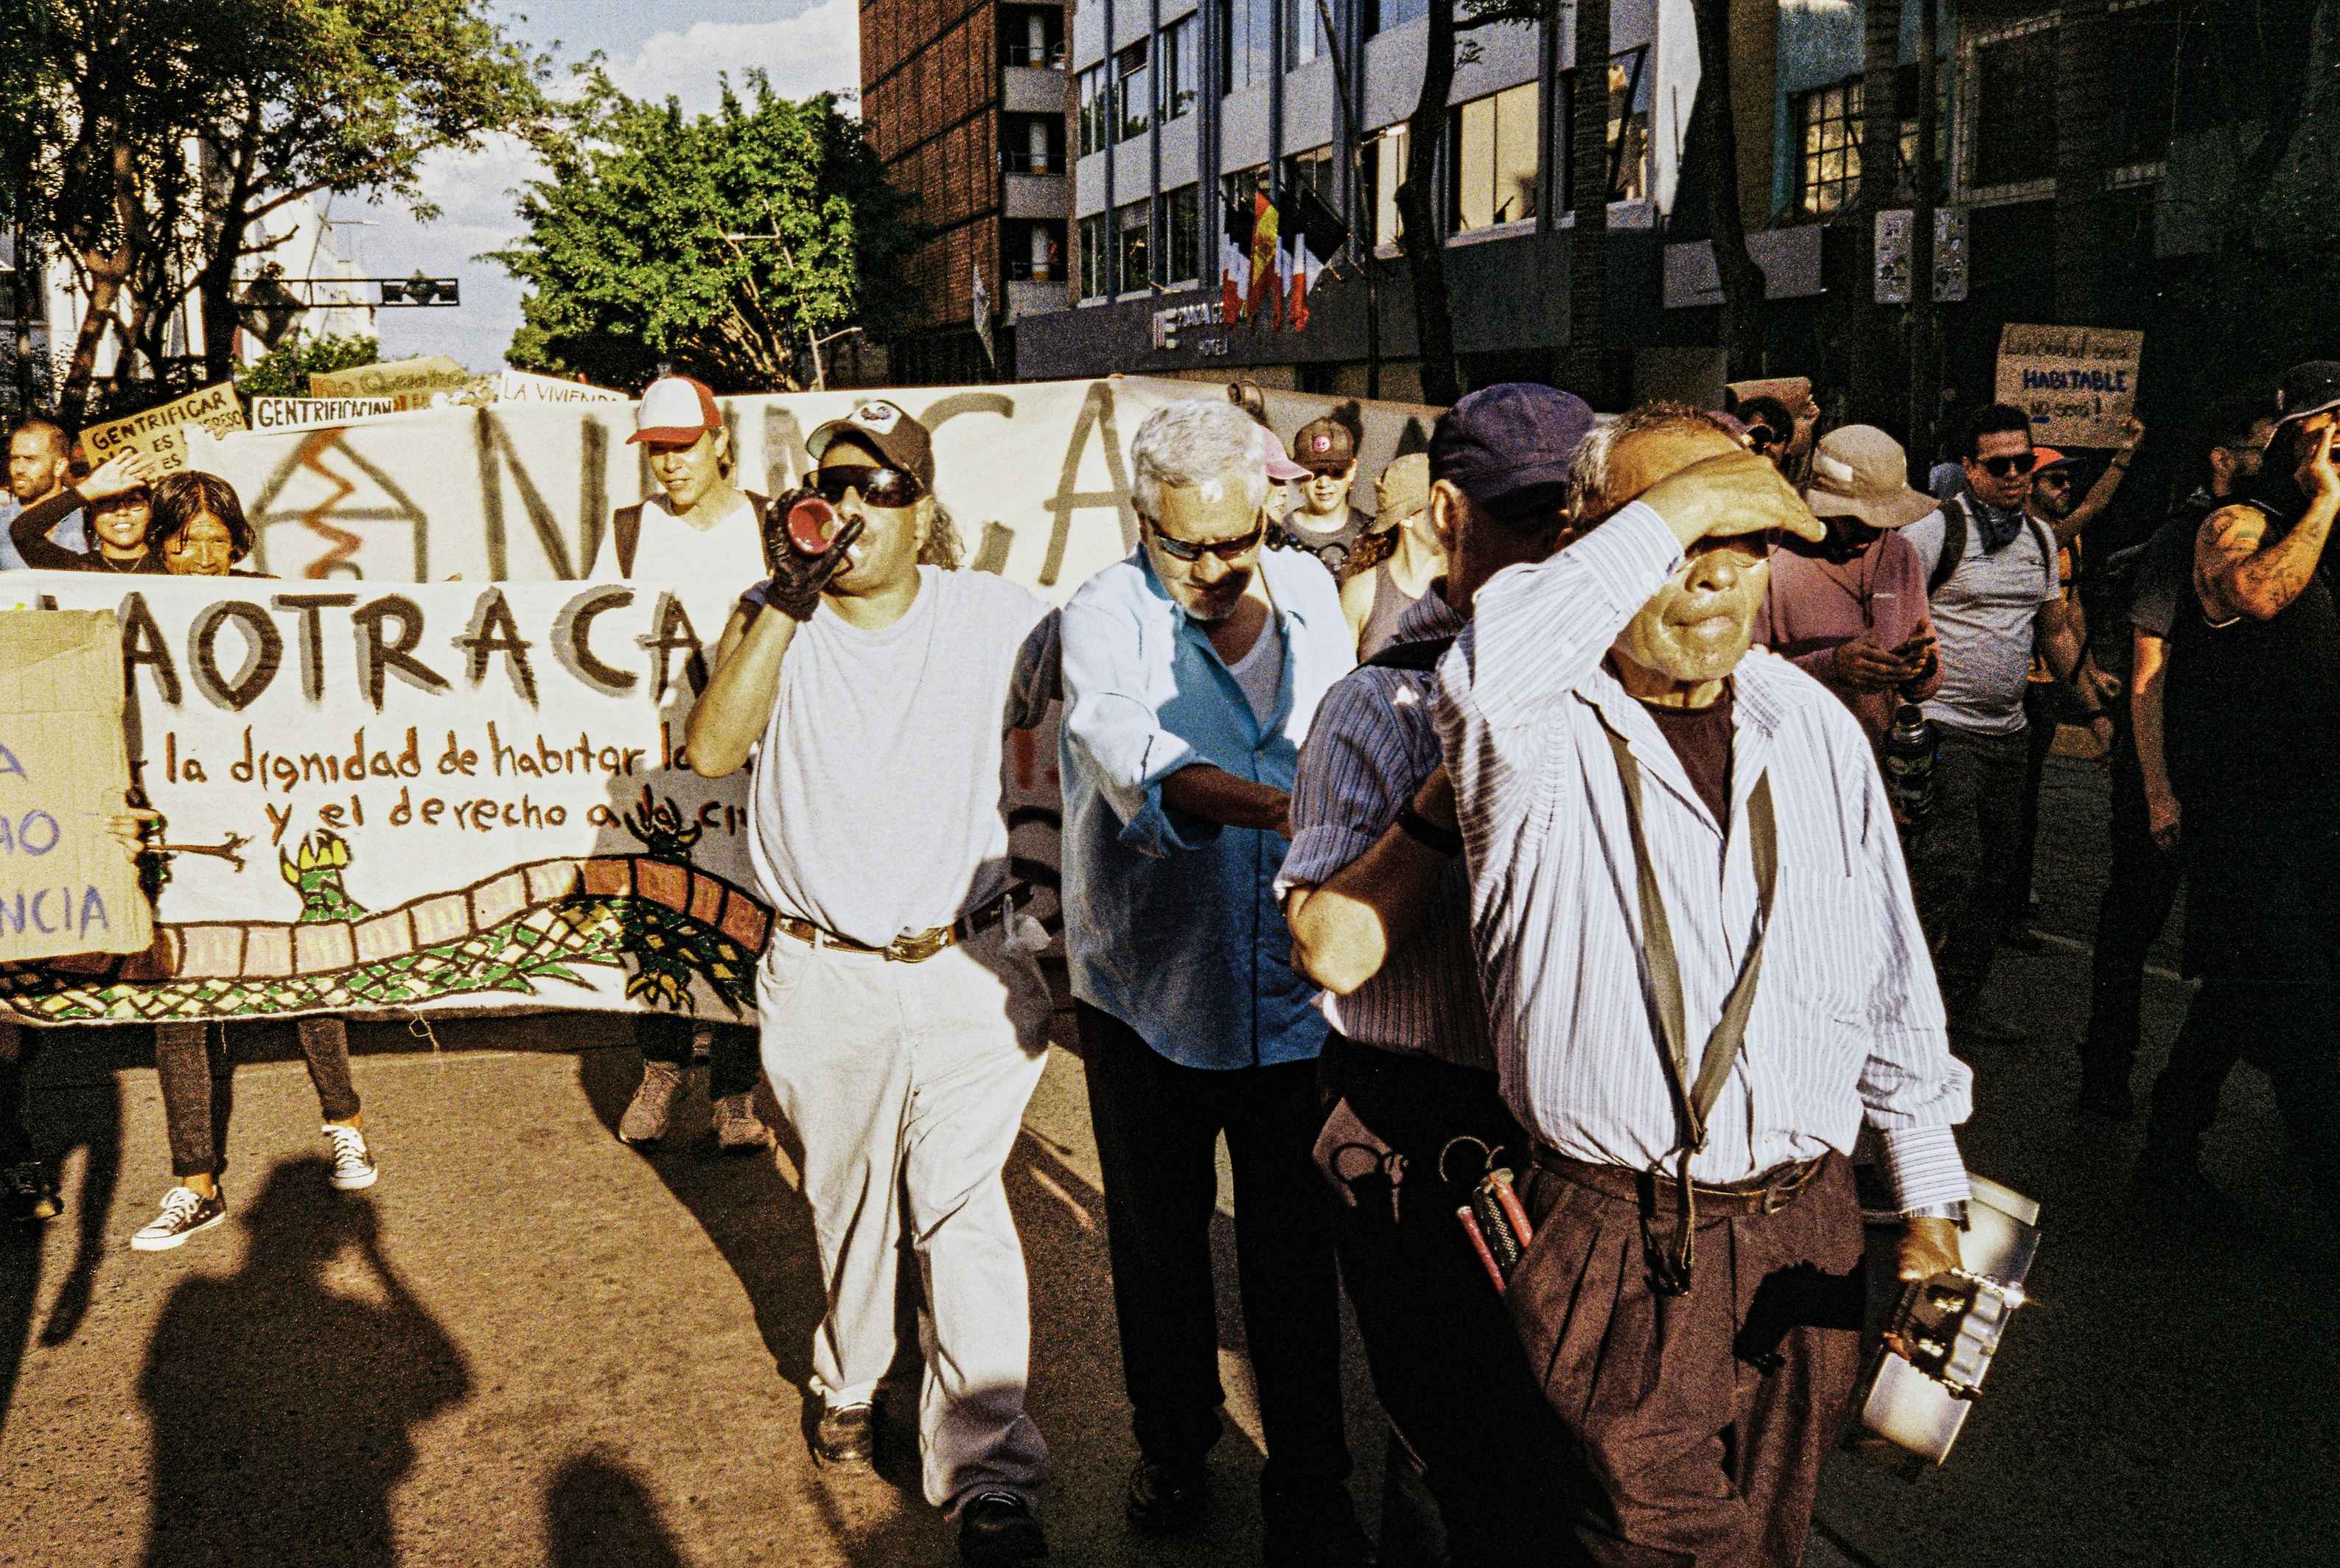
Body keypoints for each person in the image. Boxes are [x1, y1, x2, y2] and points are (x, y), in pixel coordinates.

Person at [1432, 402, 1974, 1567]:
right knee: (1672, 1546)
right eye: (1674, 547)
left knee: (1767, 1536)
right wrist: (1687, 496)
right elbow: (1494, 657)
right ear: (1590, 549)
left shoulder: (1809, 724)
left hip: (1807, 1230)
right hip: (1615, 1239)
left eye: (1739, 554)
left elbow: (1889, 977)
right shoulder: (1532, 730)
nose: (1707, 583)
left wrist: (1930, 1206)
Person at [685, 399, 1054, 1565]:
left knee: (961, 1204)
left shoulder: (999, 615)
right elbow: (707, 751)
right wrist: (787, 600)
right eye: (830, 487)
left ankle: (987, 1470)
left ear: (923, 507)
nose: (848, 509)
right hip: (821, 971)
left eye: (877, 489)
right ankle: (849, 1370)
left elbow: (1113, 696)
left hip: (967, 966)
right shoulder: (768, 619)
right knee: (847, 1204)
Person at [1057, 398, 1369, 1567]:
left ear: (1266, 512)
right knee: (1157, 1241)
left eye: (1232, 542)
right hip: (1150, 993)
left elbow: (1346, 736)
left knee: (1293, 1256)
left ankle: (1312, 1478)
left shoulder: (1308, 601)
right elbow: (1138, 756)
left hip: (1292, 1001)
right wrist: (1288, 806)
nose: (1208, 570)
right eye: (1181, 545)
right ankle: (1172, 1444)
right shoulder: (1100, 614)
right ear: (1142, 520)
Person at [1282, 385, 1590, 1560]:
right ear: (1451, 519)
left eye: (1584, 524)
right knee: (1448, 1444)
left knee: (1575, 1448)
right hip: (1429, 1124)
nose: (1559, 552)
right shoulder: (1382, 702)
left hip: (1581, 1136)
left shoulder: (1625, 692)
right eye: (1527, 518)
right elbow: (1330, 946)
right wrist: (1454, 764)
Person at [128, 472, 380, 1249]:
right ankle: (193, 1180)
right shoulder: (125, 611)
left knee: (304, 976)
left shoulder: (274, 604)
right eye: (184, 541)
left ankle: (345, 1123)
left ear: (238, 544)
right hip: (175, 830)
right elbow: (30, 548)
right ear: (160, 546)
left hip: (268, 817)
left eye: (217, 539)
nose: (202, 556)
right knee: (183, 1005)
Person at [2140, 360, 2340, 1211]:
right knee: (2293, 989)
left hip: (2308, 805)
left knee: (2243, 990)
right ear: (2301, 438)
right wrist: (2323, 500)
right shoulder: (2237, 522)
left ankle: (2165, 1157)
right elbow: (2254, 596)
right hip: (2245, 807)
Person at [596, 374, 775, 1155]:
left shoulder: (770, 526)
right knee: (663, 909)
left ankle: (734, 1093)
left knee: (744, 914)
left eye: (683, 447)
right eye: (656, 451)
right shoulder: (630, 530)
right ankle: (662, 1068)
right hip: (660, 760)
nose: (669, 465)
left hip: (757, 755)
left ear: (720, 441)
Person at [2078, 401, 2271, 1116]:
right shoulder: (2179, 541)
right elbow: (2144, 674)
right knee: (2132, 921)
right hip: (2163, 768)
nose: (2270, 458)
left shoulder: (2258, 536)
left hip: (2218, 775)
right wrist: (2157, 787)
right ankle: (2105, 1069)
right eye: (2259, 445)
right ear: (2221, 457)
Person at [1902, 404, 2112, 1043]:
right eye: (2001, 465)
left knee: (1997, 874)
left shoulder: (2041, 540)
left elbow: (2051, 630)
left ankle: (1959, 1006)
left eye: (2025, 461)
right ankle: (1913, 1011)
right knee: (1949, 868)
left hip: (2008, 731)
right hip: (1945, 726)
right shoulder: (1934, 534)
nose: (2017, 475)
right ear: (1969, 468)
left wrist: (2095, 711)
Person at [2003, 424, 2141, 948]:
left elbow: (2069, 613)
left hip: (2049, 674)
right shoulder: (2029, 536)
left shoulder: (2067, 540)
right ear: (2028, 486)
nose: (2066, 490)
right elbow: (2092, 510)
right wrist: (2122, 460)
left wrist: (2089, 669)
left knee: (2025, 802)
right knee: (2015, 803)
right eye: (2054, 479)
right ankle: (2003, 904)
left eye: (2067, 480)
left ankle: (2010, 896)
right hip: (2018, 681)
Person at [1752, 424, 1941, 744]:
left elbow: (1925, 643)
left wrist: (1920, 669)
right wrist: (1829, 666)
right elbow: (1739, 674)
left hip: (1877, 748)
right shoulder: (1768, 553)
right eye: (1855, 519)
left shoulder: (1899, 552)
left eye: (1883, 519)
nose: (1870, 531)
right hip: (1796, 749)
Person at [1339, 453, 1439, 658]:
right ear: (1406, 519)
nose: (1447, 516)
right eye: (1436, 507)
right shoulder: (1362, 592)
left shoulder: (1466, 587)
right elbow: (1338, 679)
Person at [8, 449, 164, 573]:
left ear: (150, 510)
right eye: (106, 502)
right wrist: (87, 490)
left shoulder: (171, 563)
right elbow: (22, 532)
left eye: (133, 501)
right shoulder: (76, 569)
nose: (122, 511)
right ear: (91, 514)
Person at [1276, 413, 1372, 575]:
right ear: (1298, 475)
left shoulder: (1372, 534)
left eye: (1336, 471)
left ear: (1352, 470)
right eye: (1314, 472)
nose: (1324, 483)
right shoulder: (1279, 537)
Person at [0, 414, 84, 570]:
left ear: (59, 467)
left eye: (31, 459)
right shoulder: (2, 523)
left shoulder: (90, 517)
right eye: (14, 458)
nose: (18, 469)